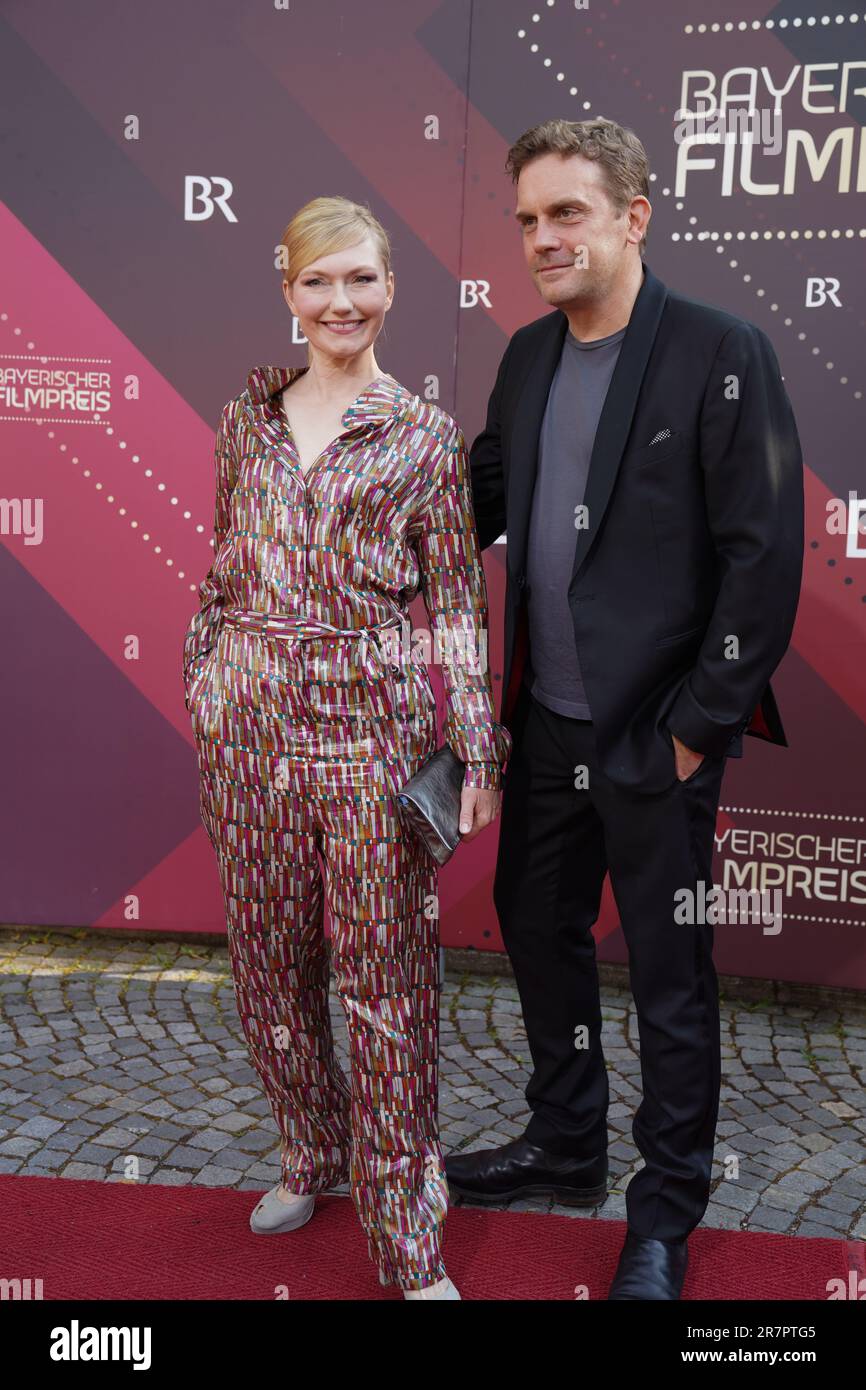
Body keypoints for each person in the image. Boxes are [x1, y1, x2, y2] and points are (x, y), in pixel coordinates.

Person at [445, 118, 804, 1300]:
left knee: (666, 971)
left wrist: (698, 727)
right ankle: (563, 1140)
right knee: (537, 932)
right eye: (528, 220)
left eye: (566, 214)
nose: (541, 240)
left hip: (657, 730)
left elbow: (761, 558)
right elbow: (482, 495)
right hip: (542, 721)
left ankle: (662, 1209)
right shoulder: (526, 355)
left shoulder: (720, 349)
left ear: (633, 217)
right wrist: (353, 456)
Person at [182, 195, 510, 1300]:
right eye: (318, 281)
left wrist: (476, 747)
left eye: (360, 279)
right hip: (246, 735)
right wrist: (206, 680)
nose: (340, 301)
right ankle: (309, 1152)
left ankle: (408, 1235)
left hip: (369, 735)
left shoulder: (421, 440)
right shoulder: (245, 423)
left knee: (386, 985)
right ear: (287, 290)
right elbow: (220, 563)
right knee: (270, 970)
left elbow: (456, 607)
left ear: (389, 289)